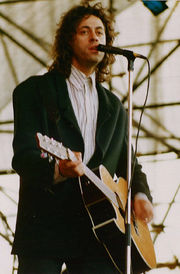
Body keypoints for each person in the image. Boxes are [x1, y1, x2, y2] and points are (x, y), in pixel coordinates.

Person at [11, 1, 154, 273]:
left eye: (100, 32)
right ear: (68, 40)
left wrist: (140, 194)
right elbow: (24, 157)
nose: (95, 37)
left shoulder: (114, 106)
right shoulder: (34, 91)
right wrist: (58, 169)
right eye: (84, 31)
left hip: (98, 233)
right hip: (45, 225)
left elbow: (130, 164)